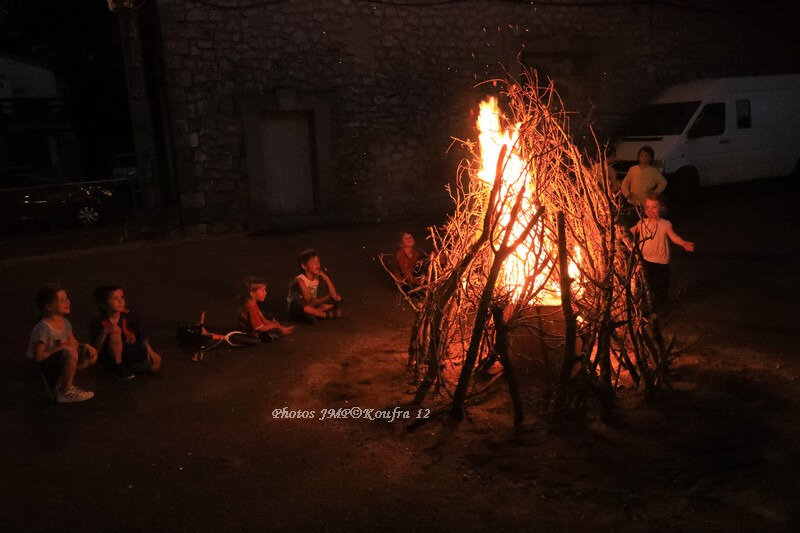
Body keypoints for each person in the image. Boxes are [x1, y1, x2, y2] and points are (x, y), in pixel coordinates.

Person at [27, 284, 97, 403]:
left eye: (67, 298)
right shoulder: (43, 328)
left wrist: (84, 346)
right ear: (48, 306)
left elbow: (73, 343)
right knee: (70, 352)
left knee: (88, 354)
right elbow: (38, 358)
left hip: (58, 361)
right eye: (61, 300)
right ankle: (65, 391)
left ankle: (61, 382)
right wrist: (60, 347)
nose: (67, 302)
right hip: (43, 368)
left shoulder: (65, 323)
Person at [631, 194, 695, 313]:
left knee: (660, 285)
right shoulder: (642, 223)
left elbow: (674, 237)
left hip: (660, 261)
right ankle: (646, 307)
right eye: (647, 207)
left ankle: (660, 306)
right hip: (644, 260)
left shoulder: (665, 224)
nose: (650, 210)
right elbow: (629, 231)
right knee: (645, 283)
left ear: (661, 208)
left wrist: (683, 243)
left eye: (654, 207)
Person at [90, 285, 162, 380]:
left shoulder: (129, 316)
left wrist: (150, 350)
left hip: (131, 352)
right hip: (111, 356)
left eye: (122, 297)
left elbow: (141, 336)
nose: (120, 301)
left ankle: (124, 368)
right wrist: (105, 332)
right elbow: (95, 349)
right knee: (115, 336)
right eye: (115, 299)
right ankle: (117, 367)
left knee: (154, 365)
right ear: (103, 304)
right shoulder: (99, 321)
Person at [287, 249, 342, 324]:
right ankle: (324, 315)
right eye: (313, 261)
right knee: (305, 307)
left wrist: (326, 279)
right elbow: (309, 302)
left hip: (310, 305)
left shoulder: (316, 278)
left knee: (332, 302)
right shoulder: (300, 280)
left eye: (318, 261)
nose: (317, 264)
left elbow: (333, 295)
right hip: (296, 308)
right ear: (304, 266)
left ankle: (314, 314)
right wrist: (328, 297)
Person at [238, 277, 294, 341]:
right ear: (252, 293)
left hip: (252, 329)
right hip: (250, 333)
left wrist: (274, 324)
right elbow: (258, 328)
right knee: (275, 333)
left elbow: (262, 318)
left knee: (269, 318)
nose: (265, 293)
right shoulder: (251, 307)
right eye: (263, 290)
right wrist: (275, 326)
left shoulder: (251, 303)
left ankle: (281, 329)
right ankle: (282, 330)